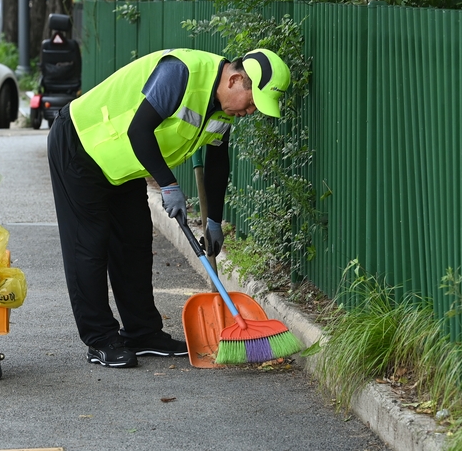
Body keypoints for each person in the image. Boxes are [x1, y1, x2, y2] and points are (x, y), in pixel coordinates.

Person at [46, 47, 291, 368]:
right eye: (253, 102)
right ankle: (100, 339)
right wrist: (168, 184)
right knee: (89, 245)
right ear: (235, 79)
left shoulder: (222, 110)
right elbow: (139, 129)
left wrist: (214, 221)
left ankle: (143, 333)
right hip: (80, 144)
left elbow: (218, 163)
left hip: (121, 163)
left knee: (134, 242)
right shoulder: (181, 73)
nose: (251, 112)